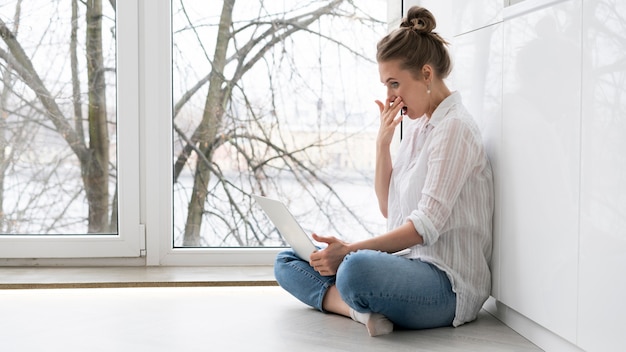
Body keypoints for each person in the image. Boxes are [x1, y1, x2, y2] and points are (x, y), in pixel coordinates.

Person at [274, 6, 494, 337]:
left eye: (394, 83)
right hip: (410, 266)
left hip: (448, 284)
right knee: (289, 261)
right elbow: (389, 208)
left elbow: (424, 228)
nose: (389, 96)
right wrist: (382, 144)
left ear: (425, 74)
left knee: (354, 269)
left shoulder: (454, 128)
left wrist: (349, 251)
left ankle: (354, 300)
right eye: (385, 84)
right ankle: (360, 313)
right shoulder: (421, 127)